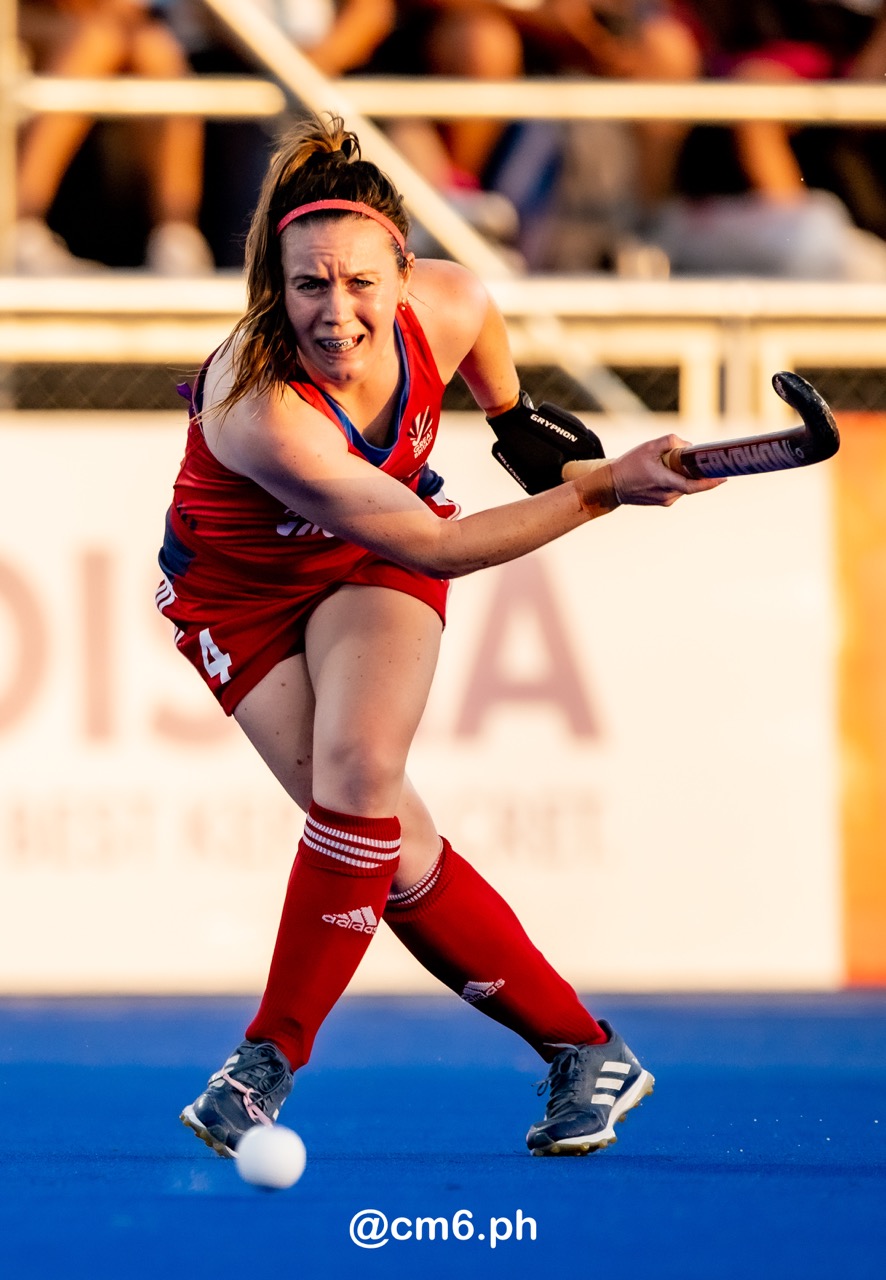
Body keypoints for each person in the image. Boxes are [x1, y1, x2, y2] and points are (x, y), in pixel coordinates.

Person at [157, 112, 721, 1158]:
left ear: (404, 275)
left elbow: (480, 326)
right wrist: (605, 487)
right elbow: (437, 544)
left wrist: (511, 415)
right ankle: (585, 1050)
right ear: (275, 285)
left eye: (360, 283)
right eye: (308, 285)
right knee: (390, 839)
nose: (336, 314)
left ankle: (264, 1062)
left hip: (368, 562)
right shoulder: (261, 406)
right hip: (239, 597)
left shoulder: (450, 302)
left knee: (360, 775)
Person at [16, 0, 213, 275]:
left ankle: (176, 234)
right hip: (23, 15)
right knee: (95, 42)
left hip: (98, 22)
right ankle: (20, 224)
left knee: (155, 49)